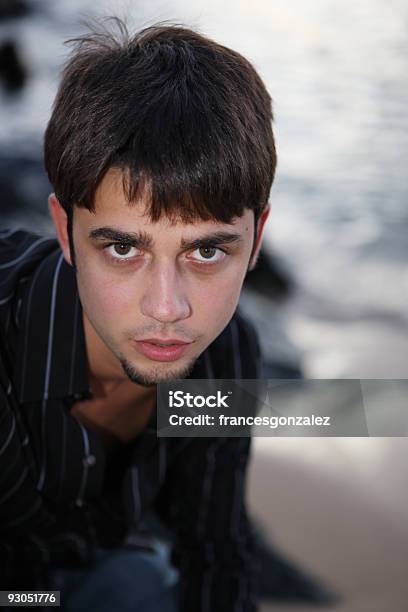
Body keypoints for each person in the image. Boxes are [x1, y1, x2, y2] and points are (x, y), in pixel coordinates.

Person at [0, 17, 276, 611]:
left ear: (256, 241)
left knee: (140, 586)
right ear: (64, 232)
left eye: (206, 250)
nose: (167, 309)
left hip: (102, 572)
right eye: (123, 248)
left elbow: (215, 550)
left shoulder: (227, 354)